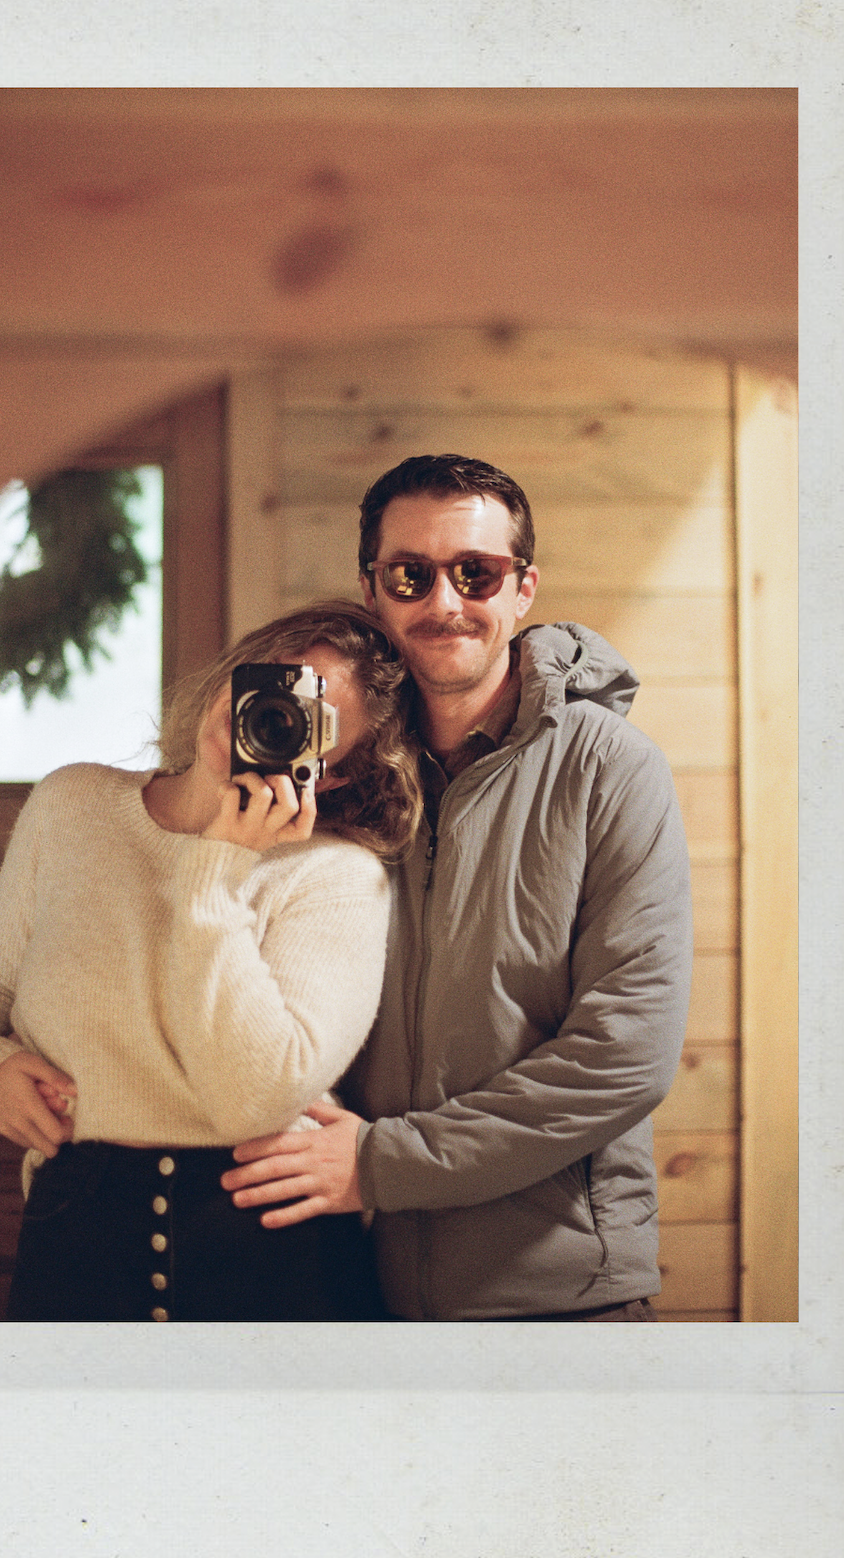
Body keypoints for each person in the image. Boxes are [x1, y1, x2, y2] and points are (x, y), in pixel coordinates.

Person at [221, 454, 694, 1321]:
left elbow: (625, 1053)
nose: (445, 602)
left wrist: (383, 1165)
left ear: (523, 589)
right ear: (373, 591)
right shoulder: (332, 774)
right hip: (349, 1284)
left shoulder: (611, 770)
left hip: (558, 1295)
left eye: (476, 573)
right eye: (412, 575)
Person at [0, 601, 422, 1322]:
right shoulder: (72, 804)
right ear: (235, 671)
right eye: (272, 681)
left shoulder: (336, 878)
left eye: (310, 718)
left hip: (266, 1239)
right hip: (77, 1224)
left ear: (329, 775)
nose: (272, 712)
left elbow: (254, 1099)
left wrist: (217, 871)